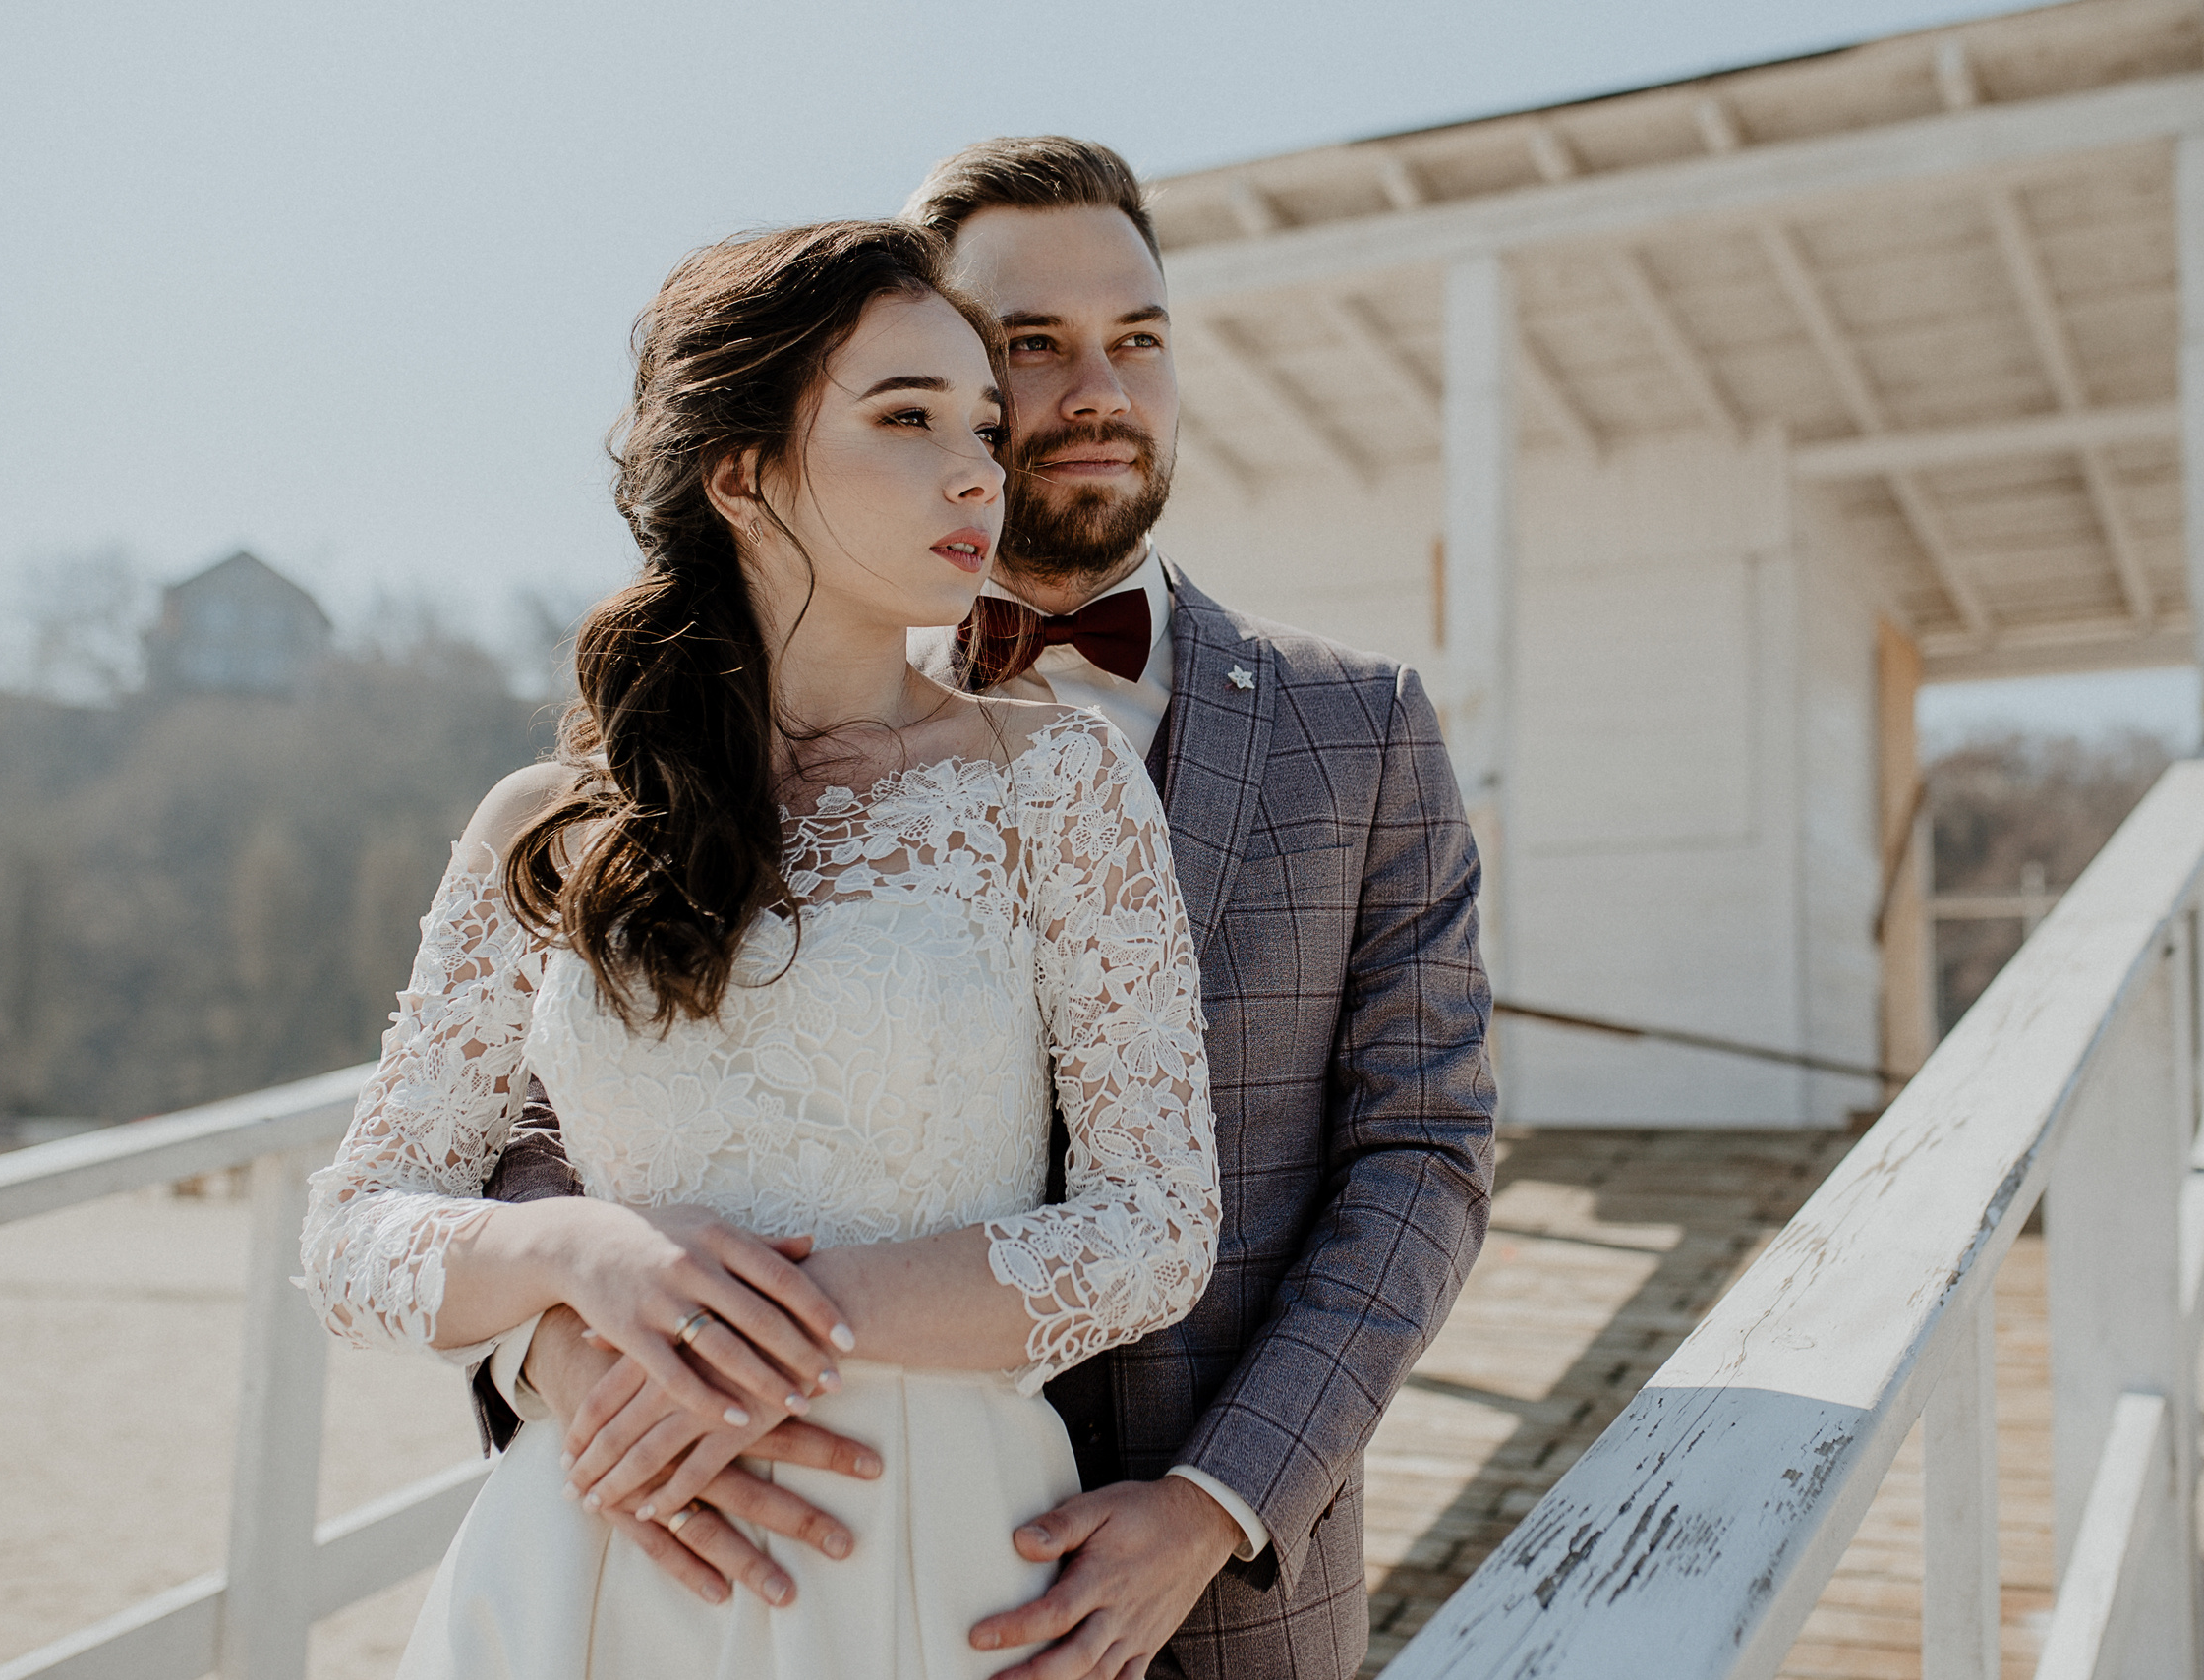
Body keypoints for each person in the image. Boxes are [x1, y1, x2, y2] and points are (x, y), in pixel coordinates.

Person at [484, 139, 1499, 1679]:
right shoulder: (740, 727)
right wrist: (566, 1350)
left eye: (1139, 339)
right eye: (1031, 344)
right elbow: (542, 1107)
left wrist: (1217, 1500)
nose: (1098, 391)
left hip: (1226, 1598)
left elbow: (1422, 1152)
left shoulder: (1362, 728)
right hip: (769, 1530)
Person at [299, 217, 1223, 1679]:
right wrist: (580, 1257)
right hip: (600, 1547)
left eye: (984, 426)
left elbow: (1155, 1225)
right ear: (740, 474)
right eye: (907, 418)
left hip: (927, 1549)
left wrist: (753, 1335)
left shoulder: (1059, 782)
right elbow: (354, 1238)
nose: (979, 471)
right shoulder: (548, 822)